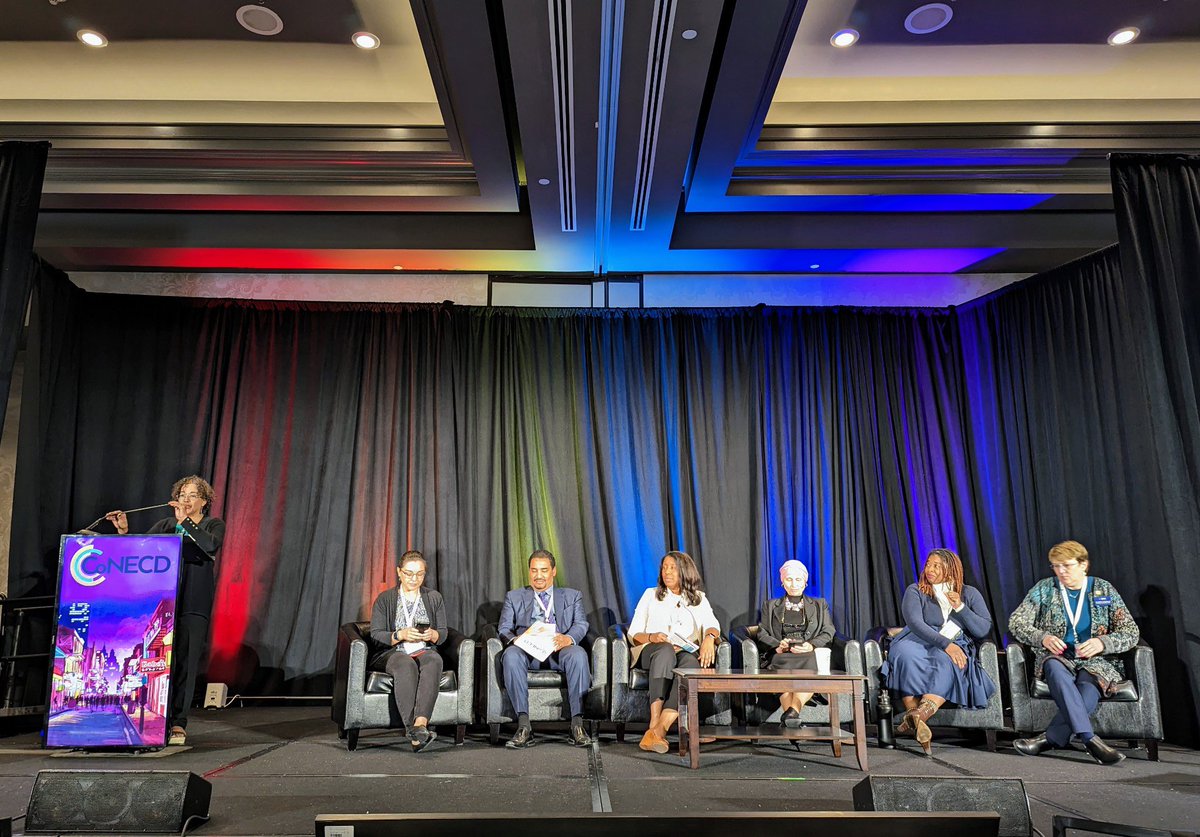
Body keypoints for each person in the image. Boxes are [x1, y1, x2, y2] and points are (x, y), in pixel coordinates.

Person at [106, 475, 225, 747]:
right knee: (161, 665)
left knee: (186, 663)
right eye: (182, 494)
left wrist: (186, 522)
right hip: (163, 603)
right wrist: (124, 533)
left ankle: (179, 722)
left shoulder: (212, 525)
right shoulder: (165, 525)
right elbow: (140, 551)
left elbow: (210, 545)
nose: (186, 499)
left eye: (192, 495)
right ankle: (159, 720)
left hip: (194, 602)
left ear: (204, 502)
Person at [1008, 540, 1139, 765]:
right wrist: (1043, 638)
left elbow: (1131, 632)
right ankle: (1089, 739)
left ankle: (1049, 738)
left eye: (1067, 565)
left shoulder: (1103, 589)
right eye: (1056, 566)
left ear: (1083, 565)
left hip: (1096, 661)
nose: (1061, 571)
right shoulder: (1044, 589)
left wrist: (1103, 643)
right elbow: (1016, 622)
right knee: (1054, 668)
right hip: (1058, 657)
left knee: (1088, 688)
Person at [881, 547, 996, 755]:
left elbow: (982, 629)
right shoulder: (915, 590)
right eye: (928, 564)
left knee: (946, 660)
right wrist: (945, 644)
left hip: (954, 642)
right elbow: (915, 623)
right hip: (918, 638)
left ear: (951, 570)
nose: (929, 570)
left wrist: (960, 608)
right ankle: (915, 715)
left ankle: (917, 716)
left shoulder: (969, 593)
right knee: (905, 654)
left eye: (936, 566)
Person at [627, 550, 721, 754]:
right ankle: (654, 723)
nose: (667, 572)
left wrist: (709, 638)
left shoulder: (698, 599)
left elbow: (712, 625)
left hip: (683, 652)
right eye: (664, 568)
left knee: (691, 664)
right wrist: (652, 637)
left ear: (685, 572)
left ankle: (659, 731)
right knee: (665, 651)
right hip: (652, 651)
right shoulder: (650, 595)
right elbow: (633, 632)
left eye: (672, 568)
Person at [498, 549, 592, 748]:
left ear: (553, 571)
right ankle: (524, 726)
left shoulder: (572, 596)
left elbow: (581, 624)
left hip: (559, 649)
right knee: (511, 655)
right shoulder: (514, 596)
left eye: (543, 570)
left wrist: (568, 638)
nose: (538, 575)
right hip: (528, 651)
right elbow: (504, 628)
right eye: (534, 570)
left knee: (578, 655)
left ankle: (577, 725)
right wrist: (516, 640)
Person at [368, 550, 447, 752]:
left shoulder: (434, 597)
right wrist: (400, 634)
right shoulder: (385, 599)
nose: (414, 579)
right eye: (409, 573)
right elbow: (376, 634)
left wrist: (432, 635)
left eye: (419, 574)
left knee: (434, 660)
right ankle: (414, 731)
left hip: (422, 648)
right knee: (405, 664)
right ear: (399, 572)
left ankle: (420, 726)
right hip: (394, 652)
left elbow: (443, 633)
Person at [754, 559, 837, 725]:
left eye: (798, 579)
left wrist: (811, 645)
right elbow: (762, 633)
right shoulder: (769, 605)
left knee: (810, 661)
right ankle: (792, 717)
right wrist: (777, 645)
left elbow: (829, 631)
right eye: (789, 579)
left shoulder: (819, 604)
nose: (793, 584)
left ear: (805, 582)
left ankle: (791, 716)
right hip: (782, 653)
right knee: (779, 665)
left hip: (808, 653)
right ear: (782, 582)